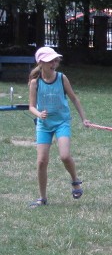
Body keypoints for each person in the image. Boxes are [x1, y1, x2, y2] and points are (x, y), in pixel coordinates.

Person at [28, 47, 90, 207]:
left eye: (55, 60)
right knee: (41, 161)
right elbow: (31, 106)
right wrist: (38, 114)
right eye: (50, 61)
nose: (54, 63)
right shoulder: (35, 83)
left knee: (64, 156)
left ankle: (75, 180)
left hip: (62, 122)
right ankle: (42, 198)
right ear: (40, 62)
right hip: (44, 125)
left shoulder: (62, 78)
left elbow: (74, 99)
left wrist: (84, 119)